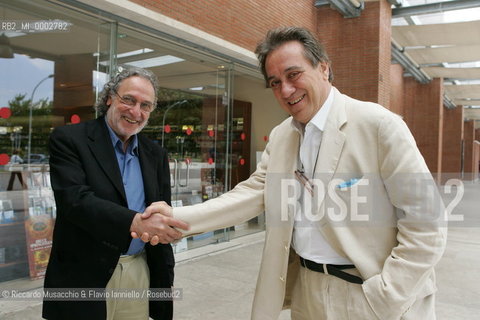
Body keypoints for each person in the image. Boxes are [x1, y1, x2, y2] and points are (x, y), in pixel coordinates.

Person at [140, 26, 447, 320]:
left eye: (293, 74)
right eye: (275, 82)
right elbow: (250, 194)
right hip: (307, 293)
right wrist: (178, 219)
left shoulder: (379, 125)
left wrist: (385, 295)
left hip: (367, 295)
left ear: (323, 68)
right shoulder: (282, 136)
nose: (286, 90)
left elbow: (427, 224)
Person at [42, 66, 188, 320]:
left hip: (138, 271)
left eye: (145, 105)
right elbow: (74, 200)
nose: (135, 112)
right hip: (83, 277)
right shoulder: (69, 139)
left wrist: (166, 280)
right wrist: (134, 221)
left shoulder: (156, 154)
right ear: (109, 97)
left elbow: (162, 215)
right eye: (128, 100)